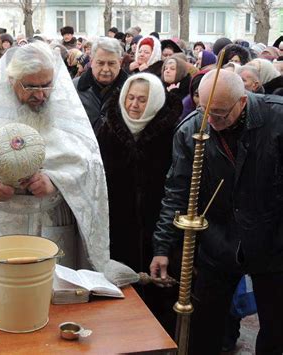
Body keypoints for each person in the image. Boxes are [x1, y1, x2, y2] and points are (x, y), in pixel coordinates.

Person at [0, 41, 132, 290]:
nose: (41, 93)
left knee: (49, 295)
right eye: (31, 86)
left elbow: (88, 167)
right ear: (11, 80)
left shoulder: (66, 112)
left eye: (47, 84)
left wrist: (55, 183)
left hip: (49, 221)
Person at [150, 69, 283, 354]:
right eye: (204, 109)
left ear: (243, 102)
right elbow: (177, 190)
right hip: (218, 241)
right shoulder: (192, 129)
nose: (210, 120)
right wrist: (162, 247)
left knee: (276, 329)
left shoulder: (277, 118)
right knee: (204, 327)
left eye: (220, 113)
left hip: (273, 243)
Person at [95, 73, 182, 334]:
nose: (134, 105)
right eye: (130, 98)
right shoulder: (107, 129)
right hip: (117, 229)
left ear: (154, 101)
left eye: (142, 100)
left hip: (160, 228)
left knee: (160, 300)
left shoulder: (172, 131)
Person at [73, 37, 128, 129]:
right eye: (100, 63)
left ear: (120, 62)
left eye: (111, 63)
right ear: (91, 61)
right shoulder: (73, 88)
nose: (105, 69)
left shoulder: (132, 89)